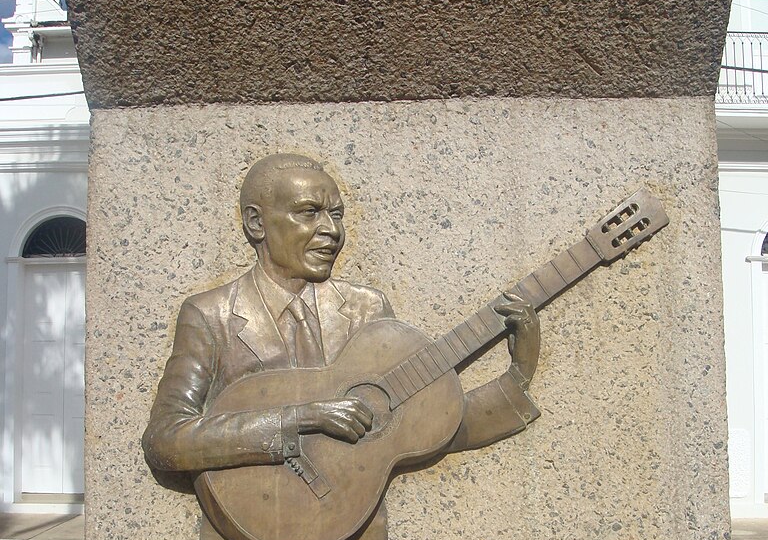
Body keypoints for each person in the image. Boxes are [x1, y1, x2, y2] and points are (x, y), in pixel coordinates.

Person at [142, 152, 540, 475]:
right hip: (250, 519)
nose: (331, 230)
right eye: (309, 212)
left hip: (353, 522)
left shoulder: (367, 309)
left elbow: (412, 433)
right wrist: (299, 419)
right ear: (256, 222)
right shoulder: (210, 316)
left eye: (336, 214)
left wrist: (516, 376)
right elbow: (166, 440)